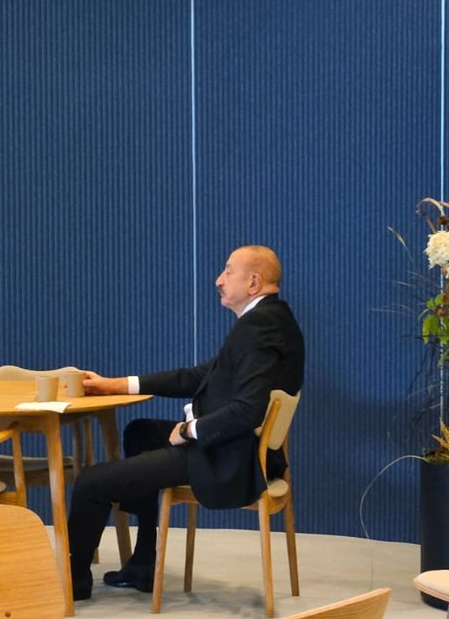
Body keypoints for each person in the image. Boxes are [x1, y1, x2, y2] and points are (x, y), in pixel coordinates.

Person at [68, 245, 305, 601]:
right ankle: (144, 562)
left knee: (90, 483)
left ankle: (72, 583)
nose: (218, 280)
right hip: (235, 449)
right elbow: (196, 377)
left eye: (228, 272)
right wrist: (116, 384)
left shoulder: (259, 328)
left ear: (253, 282)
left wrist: (188, 431)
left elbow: (247, 410)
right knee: (140, 432)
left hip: (226, 458)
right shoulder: (269, 320)